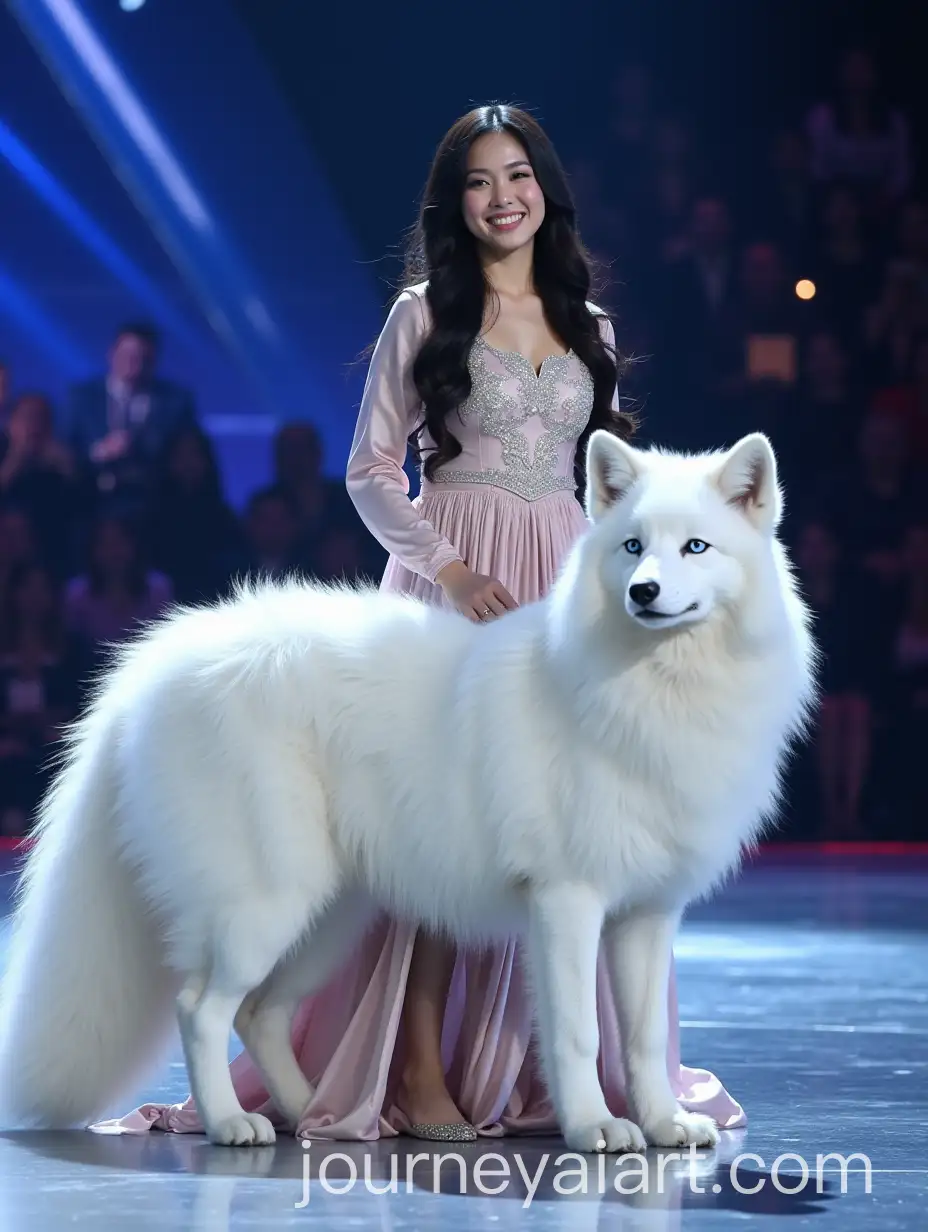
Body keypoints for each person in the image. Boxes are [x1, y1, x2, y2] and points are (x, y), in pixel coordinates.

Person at [100, 104, 744, 1144]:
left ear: (546, 188)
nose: (502, 197)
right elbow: (367, 469)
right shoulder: (422, 311)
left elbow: (613, 479)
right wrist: (448, 565)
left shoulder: (591, 322)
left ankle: (560, 1074)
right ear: (455, 203)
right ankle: (419, 1060)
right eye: (480, 181)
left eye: (518, 175)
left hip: (564, 589)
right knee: (432, 834)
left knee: (579, 834)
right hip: (452, 583)